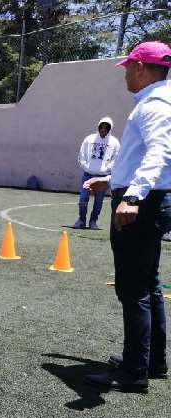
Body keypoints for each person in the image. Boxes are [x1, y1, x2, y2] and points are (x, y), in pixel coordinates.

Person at [82, 41, 171, 391]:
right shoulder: (160, 101)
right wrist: (114, 179)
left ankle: (134, 372)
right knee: (147, 285)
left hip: (144, 203)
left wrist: (131, 195)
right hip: (154, 199)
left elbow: (161, 153)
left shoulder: (155, 104)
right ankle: (152, 361)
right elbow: (144, 155)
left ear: (139, 67)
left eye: (128, 67)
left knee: (133, 289)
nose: (125, 75)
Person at [71, 117, 121, 229]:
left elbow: (117, 158)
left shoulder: (114, 142)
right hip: (88, 174)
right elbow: (82, 153)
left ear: (109, 129)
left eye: (106, 127)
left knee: (98, 201)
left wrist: (107, 169)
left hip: (103, 177)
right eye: (101, 127)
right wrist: (84, 165)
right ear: (98, 127)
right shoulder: (89, 139)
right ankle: (81, 221)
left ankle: (93, 222)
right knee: (83, 198)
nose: (103, 129)